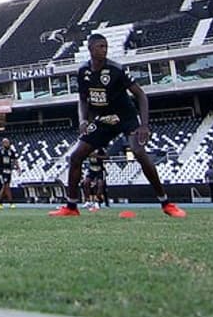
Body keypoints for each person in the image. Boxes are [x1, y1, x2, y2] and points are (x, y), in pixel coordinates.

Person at [50, 33, 186, 218]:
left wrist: (144, 125)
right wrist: (83, 120)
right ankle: (71, 207)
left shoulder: (116, 70)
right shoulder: (83, 72)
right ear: (90, 49)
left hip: (125, 117)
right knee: (75, 157)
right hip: (103, 120)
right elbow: (82, 99)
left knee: (138, 152)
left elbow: (141, 95)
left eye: (106, 46)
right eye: (100, 46)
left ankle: (166, 203)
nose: (104, 50)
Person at [0, 138, 19, 209]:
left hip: (8, 171)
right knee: (5, 185)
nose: (8, 144)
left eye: (8, 142)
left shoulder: (11, 151)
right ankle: (5, 202)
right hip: (1, 171)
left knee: (6, 186)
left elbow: (15, 160)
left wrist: (18, 168)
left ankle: (0, 202)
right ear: (3, 143)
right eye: (6, 143)